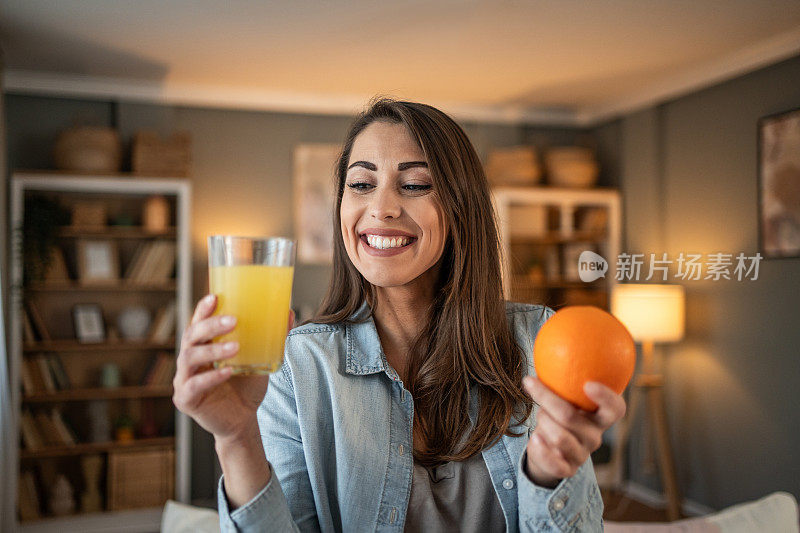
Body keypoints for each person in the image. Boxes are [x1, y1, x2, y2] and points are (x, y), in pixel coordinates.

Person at [173, 98, 626, 532]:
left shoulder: (537, 340)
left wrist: (549, 476)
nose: (382, 207)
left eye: (414, 185)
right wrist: (236, 439)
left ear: (459, 208)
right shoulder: (296, 365)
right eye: (361, 184)